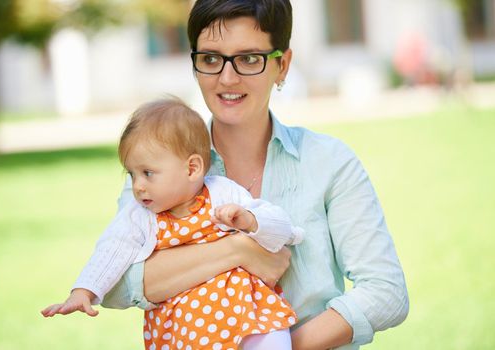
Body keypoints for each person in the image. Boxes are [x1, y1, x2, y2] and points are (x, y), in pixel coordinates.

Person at [103, 0, 410, 349]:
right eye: (210, 58)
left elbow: (386, 292)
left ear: (282, 66)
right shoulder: (156, 170)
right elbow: (116, 282)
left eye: (249, 58)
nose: (227, 78)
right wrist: (238, 251)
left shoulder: (329, 162)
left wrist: (281, 347)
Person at [41, 97, 304, 350]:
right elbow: (111, 248)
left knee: (271, 337)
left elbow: (279, 225)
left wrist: (251, 220)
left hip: (246, 312)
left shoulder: (222, 194)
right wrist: (83, 291)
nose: (137, 186)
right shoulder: (140, 216)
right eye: (131, 174)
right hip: (185, 328)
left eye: (147, 173)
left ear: (192, 169)